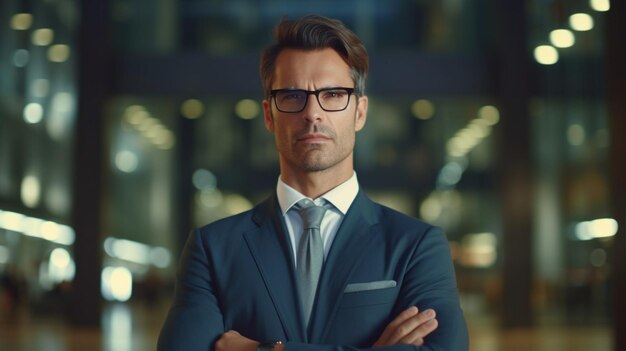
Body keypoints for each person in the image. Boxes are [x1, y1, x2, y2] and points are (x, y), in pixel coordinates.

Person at [158, 15, 468, 351]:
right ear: (268, 114)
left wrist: (267, 349)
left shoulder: (417, 246)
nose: (312, 113)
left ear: (360, 112)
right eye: (292, 96)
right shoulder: (212, 248)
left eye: (333, 94)